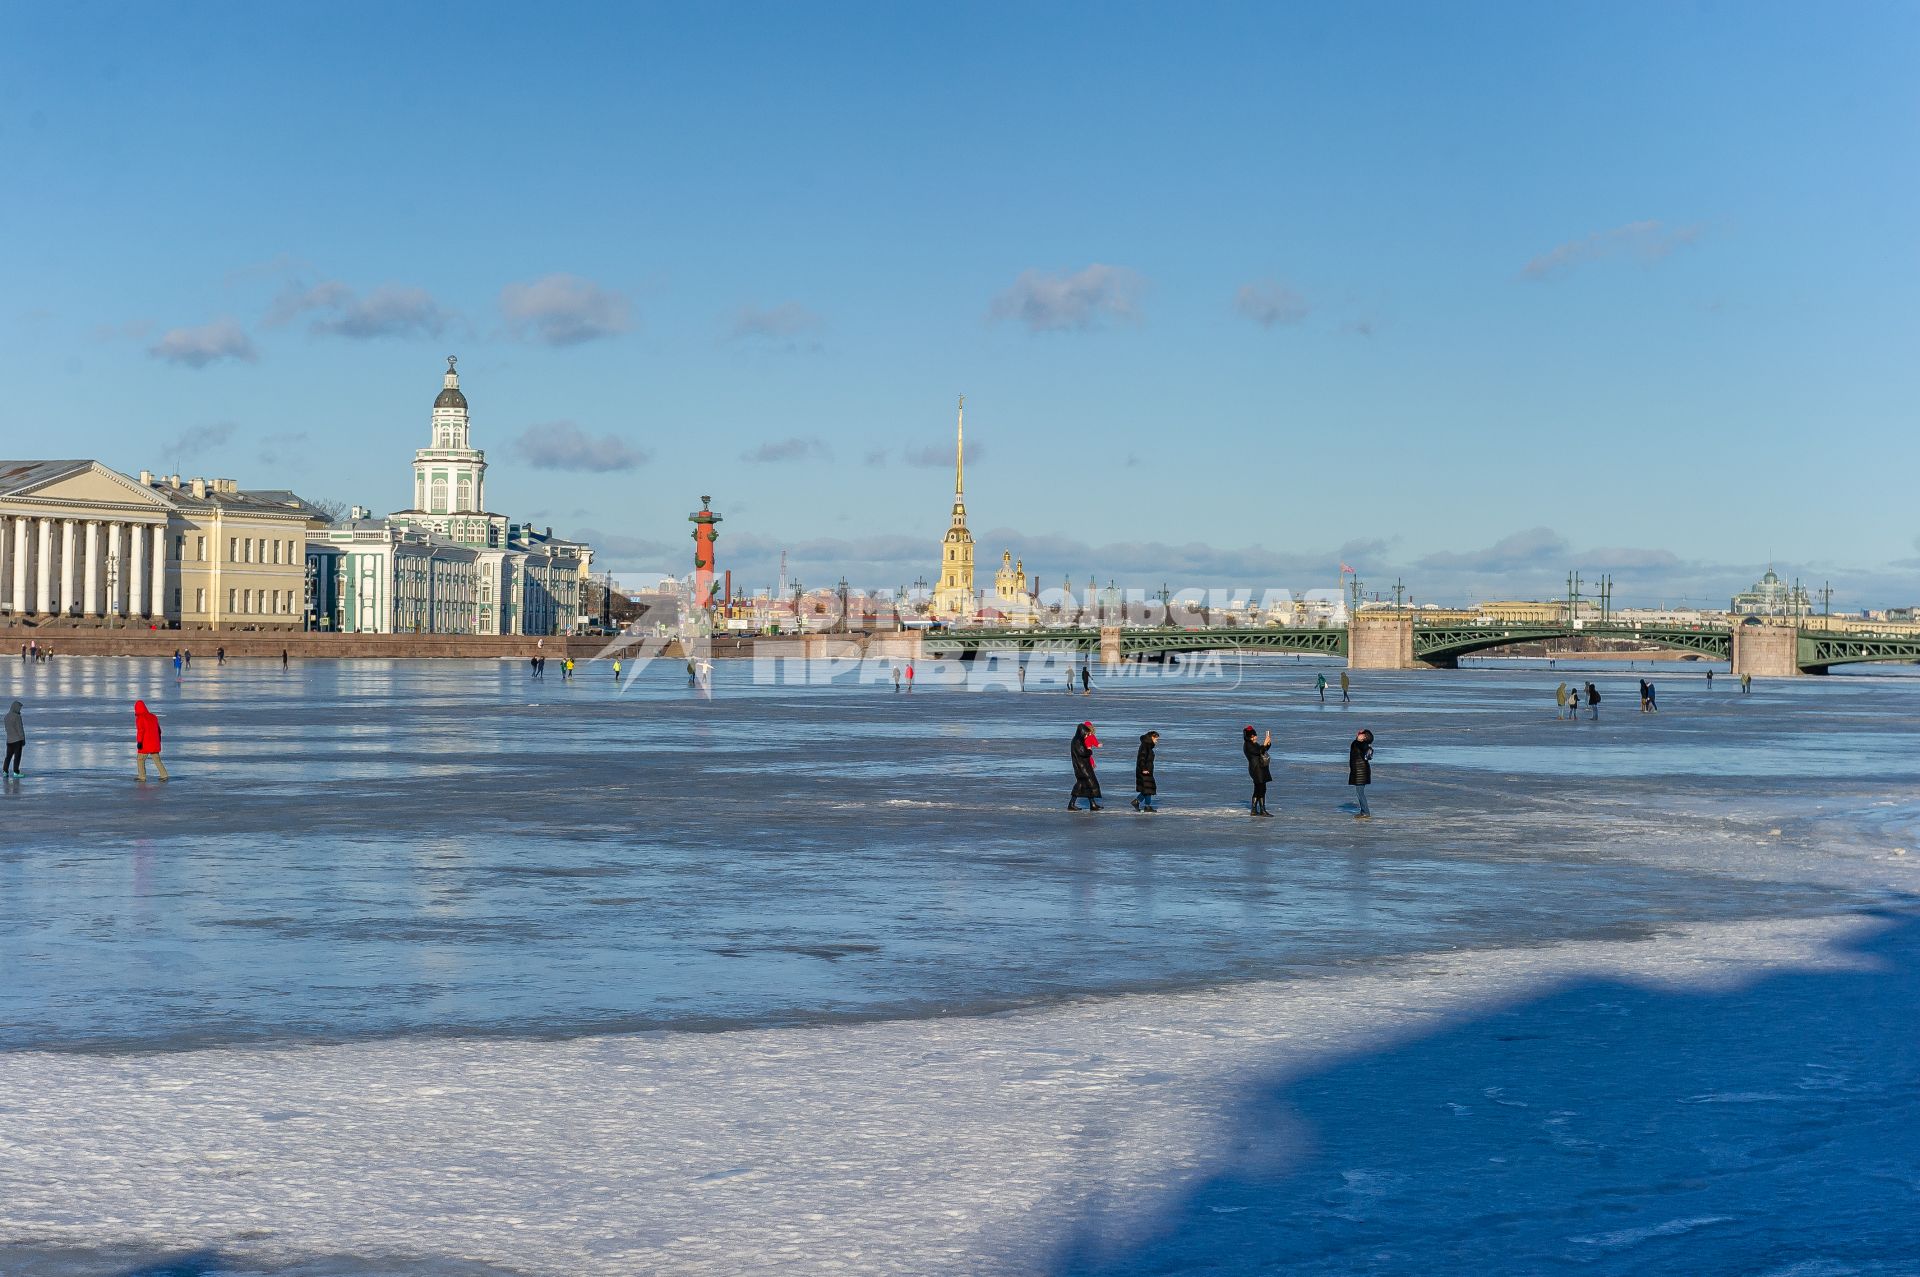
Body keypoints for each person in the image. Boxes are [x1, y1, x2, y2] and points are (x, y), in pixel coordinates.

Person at [1068, 721, 1103, 811]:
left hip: (1083, 767)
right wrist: (1090, 751)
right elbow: (1083, 752)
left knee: (1086, 785)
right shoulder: (1077, 741)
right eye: (1086, 734)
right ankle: (1072, 804)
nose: (1087, 736)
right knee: (1087, 784)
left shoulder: (1077, 740)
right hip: (1082, 768)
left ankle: (1092, 804)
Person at [134, 700, 169, 782]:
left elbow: (141, 731)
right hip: (154, 742)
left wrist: (139, 742)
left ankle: (142, 776)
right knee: (157, 759)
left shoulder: (140, 718)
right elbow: (159, 730)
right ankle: (164, 775)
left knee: (140, 759)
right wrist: (158, 739)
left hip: (145, 743)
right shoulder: (153, 716)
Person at [1243, 725, 1274, 816]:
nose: (1256, 737)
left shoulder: (1253, 744)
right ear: (1251, 736)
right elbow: (1259, 751)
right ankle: (1262, 810)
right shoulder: (1248, 745)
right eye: (1254, 735)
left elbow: (1262, 750)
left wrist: (1268, 744)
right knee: (1261, 789)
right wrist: (1264, 744)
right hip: (1256, 769)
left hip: (1259, 768)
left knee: (1259, 789)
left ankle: (1254, 810)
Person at [1131, 730, 1160, 812]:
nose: (1156, 741)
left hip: (1147, 770)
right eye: (1156, 739)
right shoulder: (1145, 746)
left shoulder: (1148, 746)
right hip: (1144, 770)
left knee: (1146, 788)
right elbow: (1142, 758)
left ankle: (1136, 802)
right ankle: (1147, 806)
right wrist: (1144, 769)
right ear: (1152, 737)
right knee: (1148, 789)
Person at [1348, 728, 1374, 818]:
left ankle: (1365, 812)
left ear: (1364, 737)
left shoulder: (1361, 744)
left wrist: (1368, 751)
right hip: (1359, 772)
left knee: (1360, 793)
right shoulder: (1357, 743)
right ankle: (1364, 811)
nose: (1358, 734)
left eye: (1361, 734)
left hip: (1361, 772)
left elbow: (1366, 751)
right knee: (1360, 792)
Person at [4, 700, 24, 776]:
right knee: (17, 757)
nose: (20, 710)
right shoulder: (17, 717)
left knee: (8, 757)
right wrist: (22, 739)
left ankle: (5, 771)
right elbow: (20, 729)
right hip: (17, 740)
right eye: (19, 708)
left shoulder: (6, 716)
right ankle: (16, 772)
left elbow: (6, 729)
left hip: (9, 741)